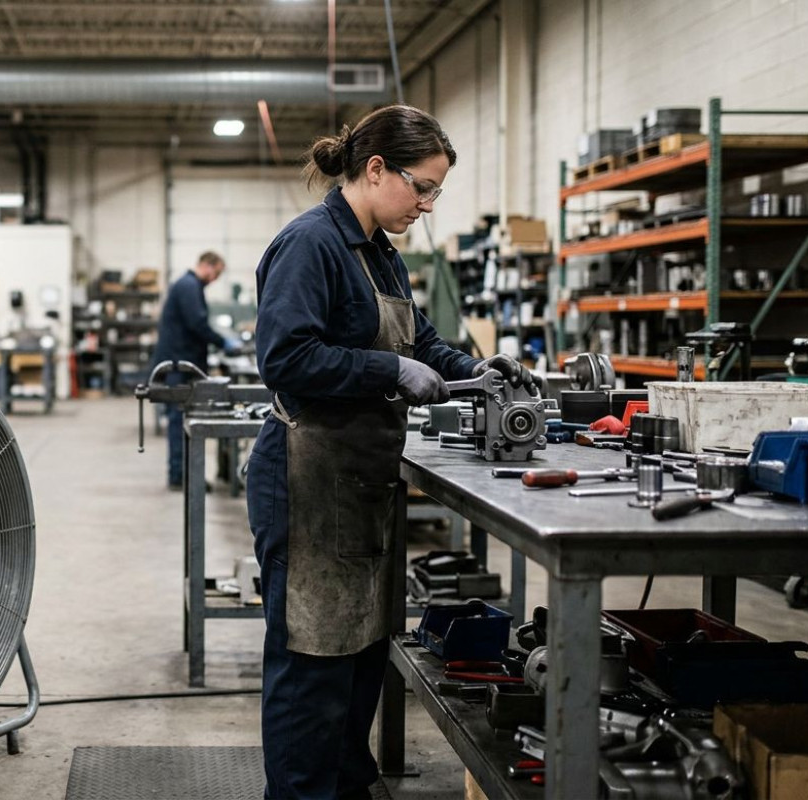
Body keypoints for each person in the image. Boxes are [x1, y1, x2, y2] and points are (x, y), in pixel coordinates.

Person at [244, 105, 538, 799]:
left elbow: (421, 345)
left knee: (360, 651)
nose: (428, 206)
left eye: (436, 191)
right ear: (376, 170)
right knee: (313, 659)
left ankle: (346, 785)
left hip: (361, 480)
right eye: (422, 187)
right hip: (307, 478)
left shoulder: (379, 254)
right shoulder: (310, 245)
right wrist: (387, 373)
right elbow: (286, 358)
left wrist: (474, 369)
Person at [152, 251, 239, 489]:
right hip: (178, 365)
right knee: (179, 419)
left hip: (182, 362)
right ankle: (179, 476)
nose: (215, 279)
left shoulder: (188, 285)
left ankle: (184, 475)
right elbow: (197, 324)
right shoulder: (189, 286)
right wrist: (223, 342)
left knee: (183, 418)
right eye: (217, 273)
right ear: (207, 266)